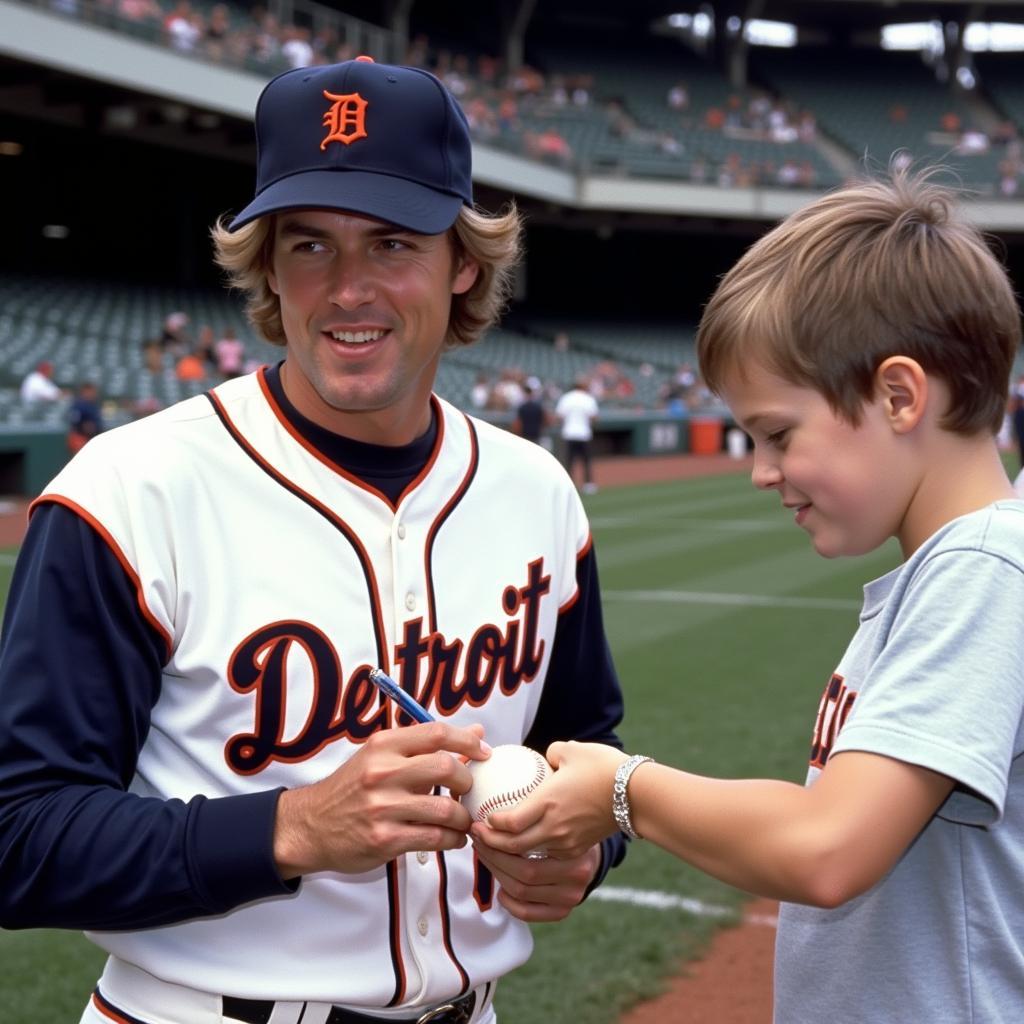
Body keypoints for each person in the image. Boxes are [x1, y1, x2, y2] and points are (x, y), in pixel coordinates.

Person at [0, 56, 628, 1024]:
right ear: (266, 263)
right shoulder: (128, 491)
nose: (347, 290)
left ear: (463, 260)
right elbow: (19, 835)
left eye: (390, 243)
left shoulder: (534, 489)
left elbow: (584, 745)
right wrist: (290, 828)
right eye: (308, 245)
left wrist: (585, 847)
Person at [475, 169, 1024, 1022]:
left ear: (900, 394)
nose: (762, 471)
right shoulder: (954, 569)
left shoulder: (984, 570)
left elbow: (827, 847)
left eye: (777, 434)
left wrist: (621, 789)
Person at [555, 376, 599, 493]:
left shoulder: (566, 398)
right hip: (584, 434)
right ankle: (588, 484)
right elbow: (594, 417)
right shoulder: (588, 398)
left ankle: (569, 485)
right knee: (586, 461)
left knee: (569, 461)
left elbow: (559, 416)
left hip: (569, 433)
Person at [67, 380, 105, 453]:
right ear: (84, 391)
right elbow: (75, 423)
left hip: (93, 438)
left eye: (93, 391)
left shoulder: (93, 404)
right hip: (80, 437)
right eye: (90, 391)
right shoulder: (79, 405)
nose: (93, 394)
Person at [512, 378, 550, 448]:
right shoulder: (538, 406)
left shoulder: (524, 406)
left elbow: (518, 423)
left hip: (528, 436)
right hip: (533, 436)